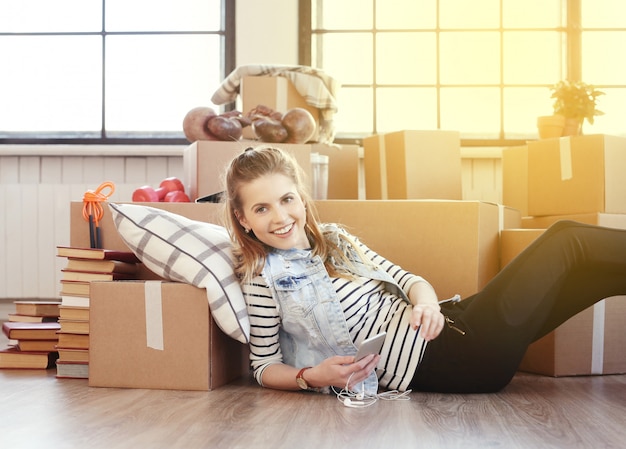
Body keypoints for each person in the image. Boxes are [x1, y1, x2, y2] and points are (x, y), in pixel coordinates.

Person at [222, 145, 626, 395]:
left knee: (590, 275)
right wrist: (313, 376)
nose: (280, 216)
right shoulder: (262, 278)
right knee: (567, 240)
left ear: (301, 197)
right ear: (243, 219)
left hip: (455, 322)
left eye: (287, 199)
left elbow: (408, 280)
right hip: (458, 357)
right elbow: (263, 366)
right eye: (262, 208)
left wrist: (427, 304)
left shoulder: (334, 238)